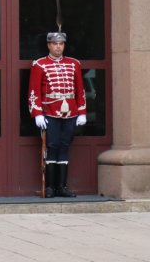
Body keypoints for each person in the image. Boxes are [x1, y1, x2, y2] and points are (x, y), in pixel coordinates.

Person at [28, 31, 86, 198]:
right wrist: (37, 113)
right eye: (55, 44)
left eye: (61, 44)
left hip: (71, 112)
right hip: (50, 112)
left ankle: (62, 187)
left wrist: (81, 112)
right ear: (49, 45)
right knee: (51, 147)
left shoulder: (74, 64)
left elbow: (79, 90)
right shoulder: (39, 65)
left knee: (64, 146)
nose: (58, 46)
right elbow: (34, 91)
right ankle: (51, 187)